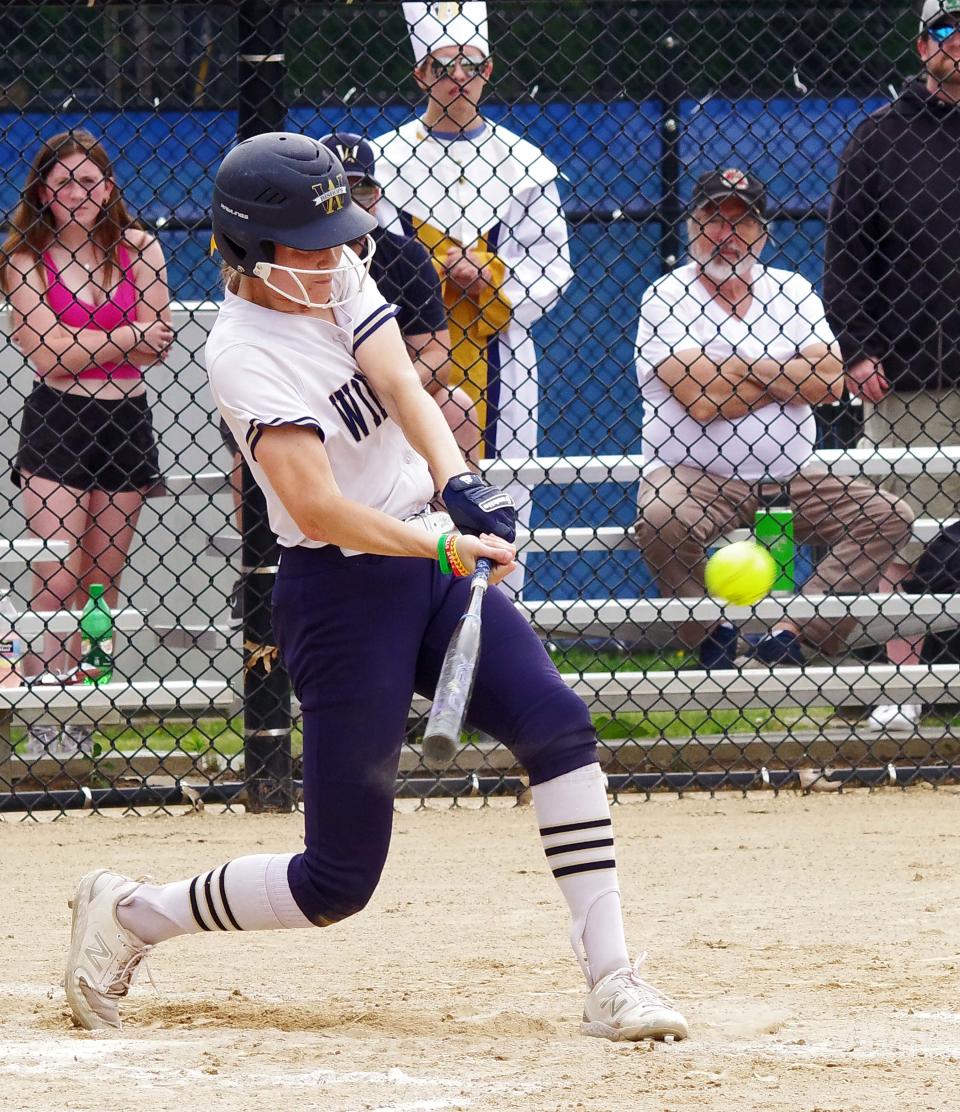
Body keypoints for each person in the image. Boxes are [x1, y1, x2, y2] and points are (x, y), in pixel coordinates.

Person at [62, 133, 687, 1044]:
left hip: (423, 552)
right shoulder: (244, 353)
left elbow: (402, 384)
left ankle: (613, 979)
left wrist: (458, 485)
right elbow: (317, 510)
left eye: (340, 235)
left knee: (558, 726)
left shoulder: (342, 276)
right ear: (250, 252)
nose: (337, 257)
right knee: (335, 883)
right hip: (343, 592)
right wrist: (443, 549)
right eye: (310, 245)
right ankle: (133, 915)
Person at [633, 168, 914, 669]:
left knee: (888, 516)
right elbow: (701, 399)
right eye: (713, 219)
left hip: (792, 475)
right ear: (692, 226)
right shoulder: (666, 295)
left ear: (762, 234)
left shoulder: (792, 290)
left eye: (742, 223)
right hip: (695, 477)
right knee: (660, 517)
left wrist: (731, 368)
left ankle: (791, 636)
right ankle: (712, 635)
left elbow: (830, 384)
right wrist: (785, 374)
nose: (727, 235)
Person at [370, 1, 573, 585]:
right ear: (420, 75)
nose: (458, 78)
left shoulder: (524, 164)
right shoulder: (385, 159)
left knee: (502, 477)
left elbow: (551, 265)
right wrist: (433, 269)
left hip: (497, 346)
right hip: (406, 340)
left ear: (488, 71)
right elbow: (370, 253)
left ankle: (495, 596)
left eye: (471, 65)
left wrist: (489, 274)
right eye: (443, 66)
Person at [1, 129, 172, 757]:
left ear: (109, 188)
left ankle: (85, 706)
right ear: (43, 189)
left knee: (102, 583)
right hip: (59, 423)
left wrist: (85, 346)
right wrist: (129, 335)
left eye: (90, 180)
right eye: (64, 180)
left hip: (127, 421)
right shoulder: (22, 257)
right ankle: (40, 703)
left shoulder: (140, 248)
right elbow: (47, 356)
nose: (78, 192)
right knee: (56, 575)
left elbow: (163, 339)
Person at [824, 0, 960, 732]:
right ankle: (903, 686)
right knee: (907, 537)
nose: (959, 42)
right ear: (921, 45)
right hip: (911, 379)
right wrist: (859, 349)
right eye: (947, 28)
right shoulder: (880, 138)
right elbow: (845, 255)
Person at [319, 131, 479, 465]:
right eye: (338, 190)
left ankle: (460, 517)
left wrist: (388, 395)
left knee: (457, 406)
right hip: (314, 393)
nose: (350, 201)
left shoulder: (405, 255)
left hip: (389, 391)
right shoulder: (297, 255)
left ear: (376, 196)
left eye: (361, 189)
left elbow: (437, 358)